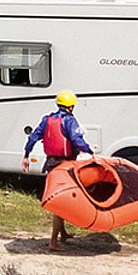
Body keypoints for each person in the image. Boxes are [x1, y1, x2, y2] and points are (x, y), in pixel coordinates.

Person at [23, 90, 94, 250]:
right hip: (65, 164)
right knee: (61, 202)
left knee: (61, 198)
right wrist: (89, 151)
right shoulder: (69, 121)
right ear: (71, 107)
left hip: (51, 164)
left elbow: (33, 137)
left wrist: (26, 155)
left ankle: (62, 234)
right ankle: (53, 242)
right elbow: (77, 140)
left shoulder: (47, 119)